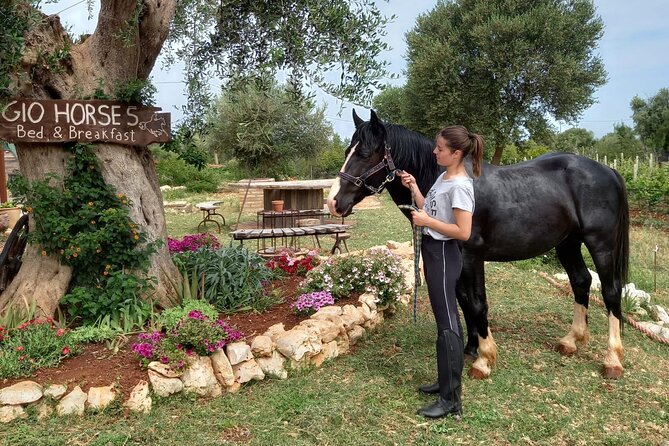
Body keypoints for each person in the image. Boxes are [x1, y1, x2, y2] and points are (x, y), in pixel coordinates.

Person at [398, 125, 484, 419]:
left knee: (447, 323)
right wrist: (414, 188)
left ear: (456, 153)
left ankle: (451, 400)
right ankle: (445, 381)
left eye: (440, 149)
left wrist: (426, 222)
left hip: (445, 255)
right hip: (434, 253)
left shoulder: (460, 185)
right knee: (443, 321)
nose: (434, 152)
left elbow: (463, 231)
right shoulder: (444, 177)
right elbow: (430, 210)